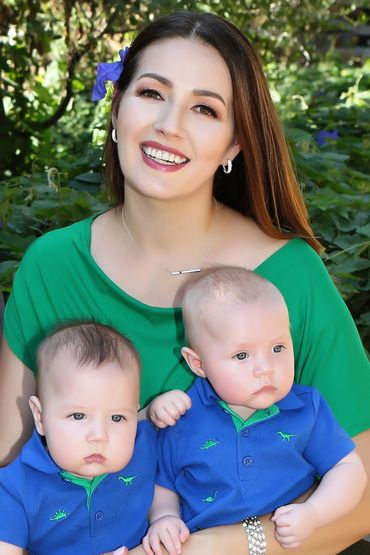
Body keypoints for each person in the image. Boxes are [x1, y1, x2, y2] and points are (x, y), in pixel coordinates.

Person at [0, 10, 369, 555]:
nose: (170, 125)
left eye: (204, 108)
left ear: (234, 146)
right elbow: (10, 464)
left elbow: (362, 493)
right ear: (117, 105)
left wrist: (221, 546)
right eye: (152, 93)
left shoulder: (293, 277)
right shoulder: (52, 266)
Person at [141, 266, 367, 555]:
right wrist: (164, 518)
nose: (265, 368)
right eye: (242, 355)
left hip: (288, 546)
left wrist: (314, 513)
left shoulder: (304, 409)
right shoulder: (183, 417)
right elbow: (163, 481)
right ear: (198, 363)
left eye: (277, 348)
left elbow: (349, 470)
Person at [0, 322, 157, 554]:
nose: (99, 436)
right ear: (41, 417)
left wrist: (166, 516)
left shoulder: (147, 446)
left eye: (116, 418)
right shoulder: (14, 488)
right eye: (78, 415)